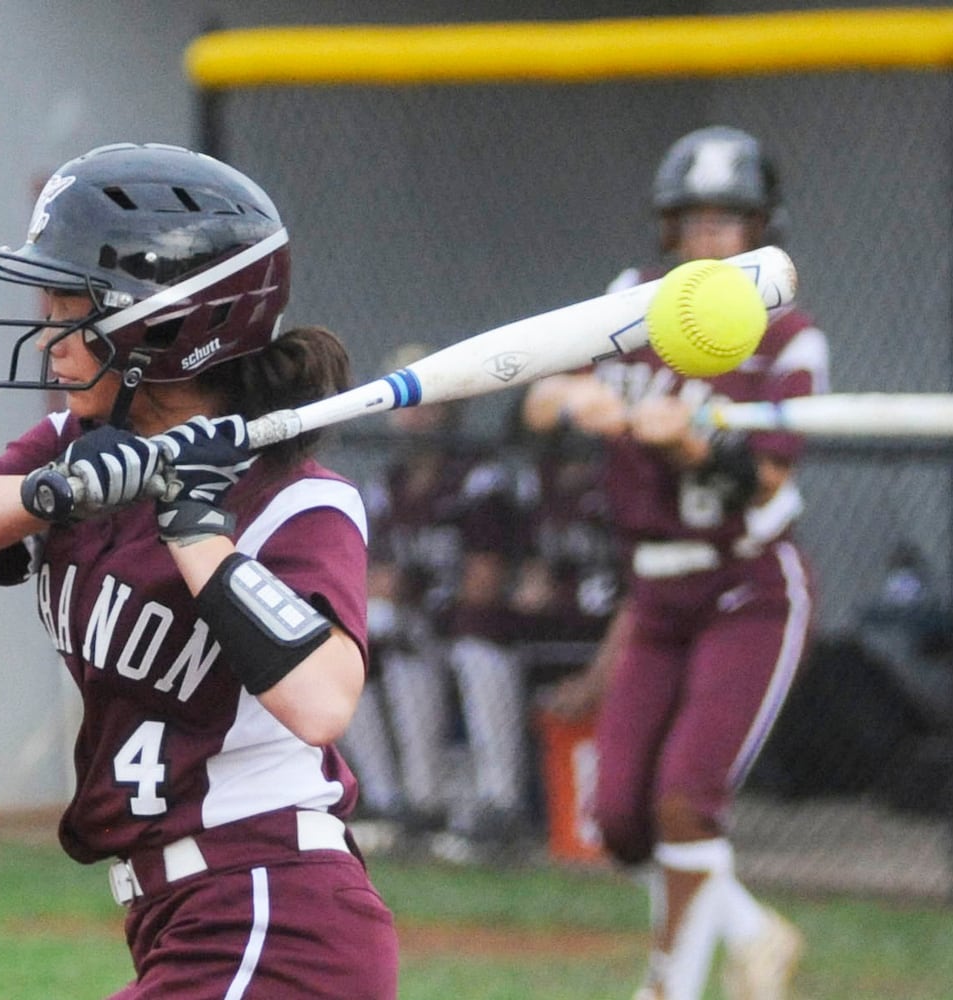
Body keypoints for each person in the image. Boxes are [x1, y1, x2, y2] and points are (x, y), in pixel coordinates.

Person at [0, 142, 398, 999]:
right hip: (183, 915)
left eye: (71, 301)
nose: (46, 327)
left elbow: (322, 701)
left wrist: (196, 529)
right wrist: (52, 493)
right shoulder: (77, 444)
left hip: (273, 910)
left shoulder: (300, 503)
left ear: (170, 326)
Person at [525, 125, 829, 1000]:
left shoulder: (788, 335)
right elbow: (538, 403)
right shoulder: (632, 300)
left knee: (684, 803)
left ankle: (668, 988)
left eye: (727, 222)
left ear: (759, 227)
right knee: (619, 820)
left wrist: (695, 447)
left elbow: (766, 472)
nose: (709, 240)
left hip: (749, 584)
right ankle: (752, 931)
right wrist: (572, 394)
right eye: (693, 222)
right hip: (654, 590)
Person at [343, 348, 528, 858]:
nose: (417, 412)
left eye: (427, 397)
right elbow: (368, 578)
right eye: (407, 399)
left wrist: (411, 589)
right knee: (363, 633)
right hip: (420, 627)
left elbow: (484, 582)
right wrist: (391, 588)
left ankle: (500, 802)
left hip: (476, 627)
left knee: (472, 640)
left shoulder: (477, 477)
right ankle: (396, 801)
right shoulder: (388, 486)